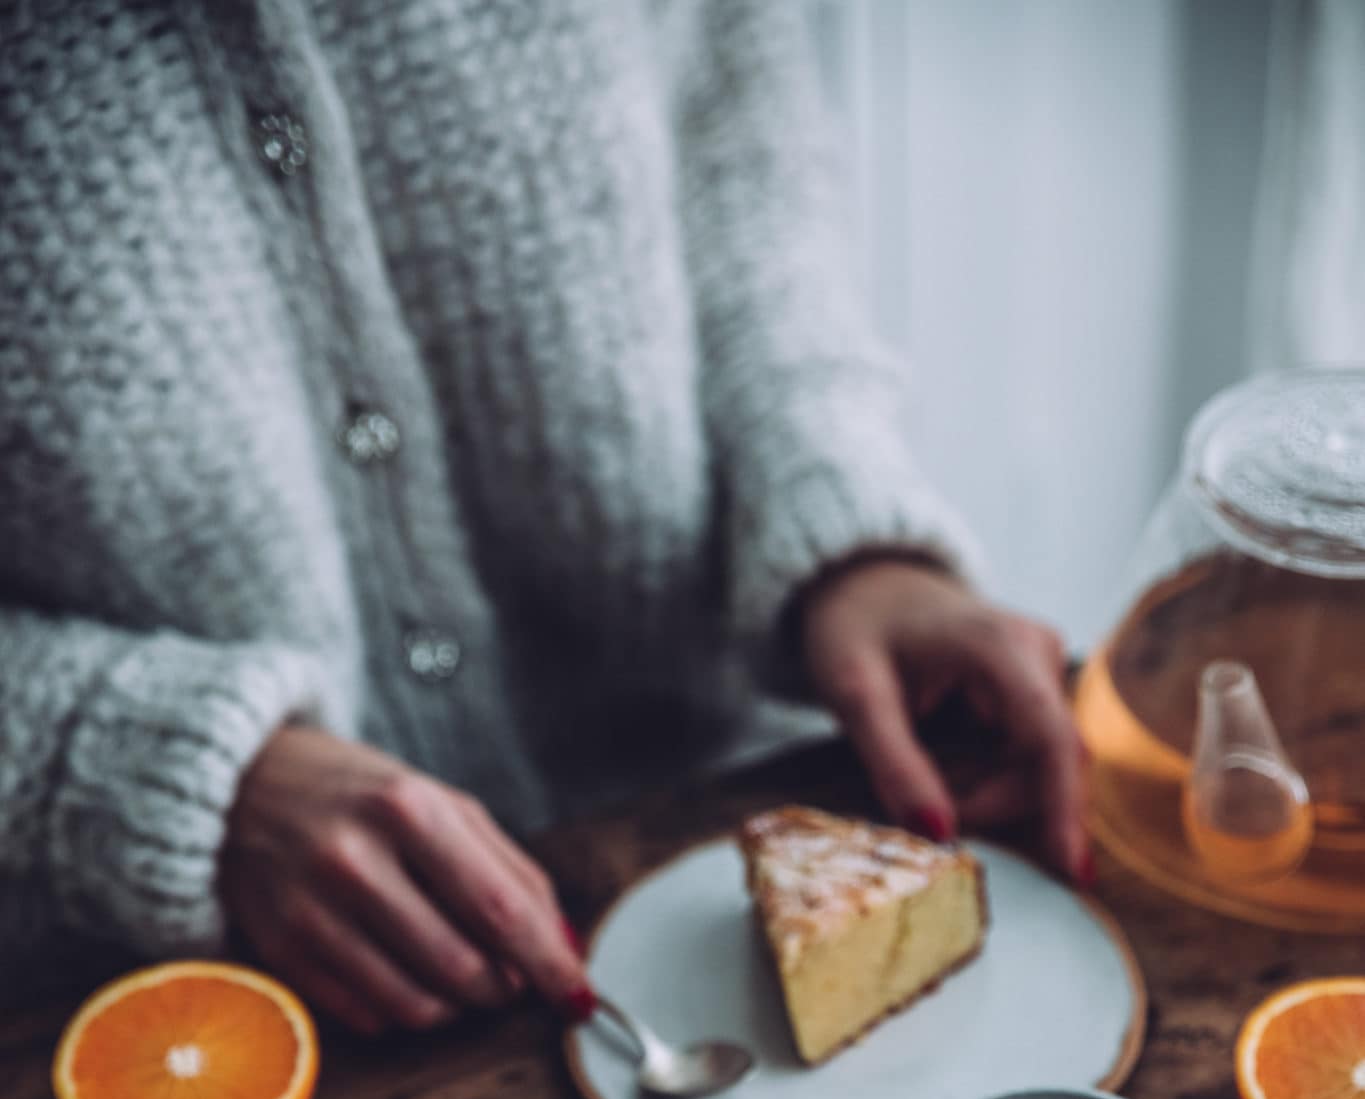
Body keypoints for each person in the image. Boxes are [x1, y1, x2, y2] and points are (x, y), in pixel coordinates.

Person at [0, 0, 1086, 1035]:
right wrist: (148, 767)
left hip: (710, 800)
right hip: (173, 998)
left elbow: (739, 168)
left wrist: (845, 528)